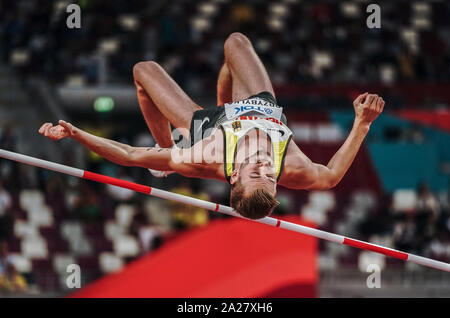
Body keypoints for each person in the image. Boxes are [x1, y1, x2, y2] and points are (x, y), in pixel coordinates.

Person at [38, 32, 385, 220]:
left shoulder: (203, 157)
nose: (265, 168)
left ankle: (168, 149)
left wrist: (76, 133)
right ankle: (220, 103)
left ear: (234, 177)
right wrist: (361, 124)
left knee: (143, 72)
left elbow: (129, 155)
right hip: (259, 106)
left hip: (207, 129)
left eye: (256, 174)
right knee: (236, 42)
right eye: (270, 177)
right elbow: (332, 175)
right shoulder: (294, 168)